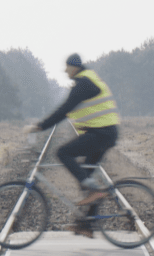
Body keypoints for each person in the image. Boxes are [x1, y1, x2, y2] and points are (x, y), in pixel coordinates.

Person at [24, 53, 120, 238]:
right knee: (86, 173)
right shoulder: (87, 80)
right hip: (103, 133)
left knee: (63, 153)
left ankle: (94, 191)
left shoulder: (83, 84)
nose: (65, 70)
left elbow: (64, 110)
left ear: (74, 67)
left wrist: (40, 126)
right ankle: (87, 225)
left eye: (67, 67)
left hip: (102, 133)